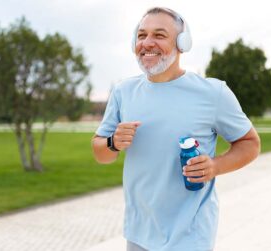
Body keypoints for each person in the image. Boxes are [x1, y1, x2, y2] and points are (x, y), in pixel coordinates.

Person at [91, 7, 260, 251]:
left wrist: (214, 166)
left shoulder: (213, 93)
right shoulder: (123, 92)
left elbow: (250, 143)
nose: (148, 43)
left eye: (159, 35)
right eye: (141, 35)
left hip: (191, 236)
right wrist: (112, 143)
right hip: (139, 232)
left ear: (182, 43)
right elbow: (100, 154)